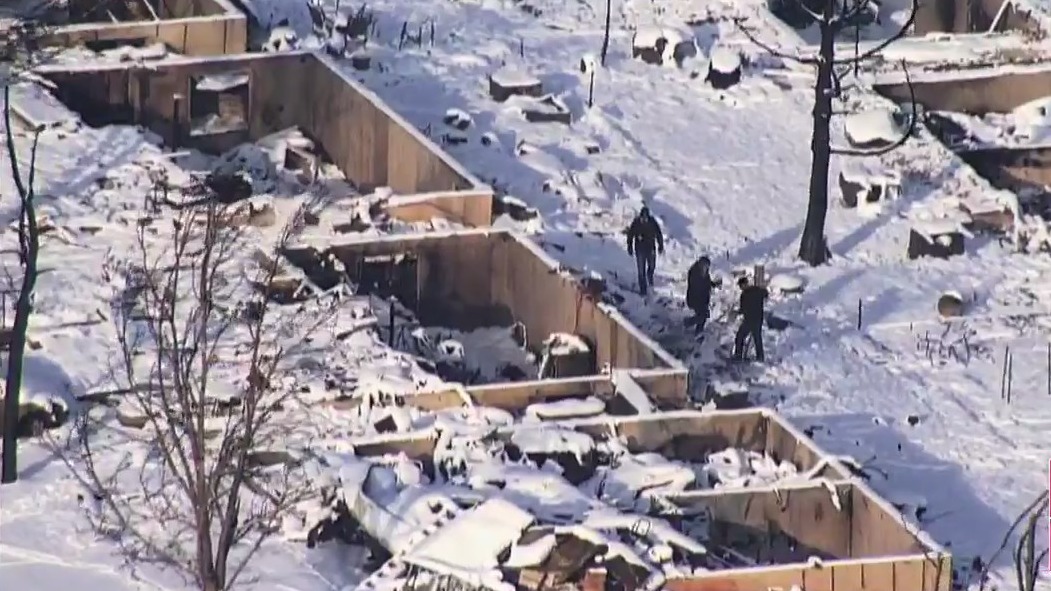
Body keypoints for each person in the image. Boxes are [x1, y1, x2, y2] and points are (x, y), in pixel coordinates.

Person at [626, 206, 664, 296]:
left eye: (646, 218)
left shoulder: (652, 222)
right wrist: (630, 246)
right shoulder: (636, 223)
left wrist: (660, 245)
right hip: (640, 249)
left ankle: (650, 276)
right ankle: (643, 290)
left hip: (651, 248)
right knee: (641, 271)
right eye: (643, 218)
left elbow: (659, 234)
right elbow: (630, 234)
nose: (644, 220)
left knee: (652, 266)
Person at [732, 275, 768, 362]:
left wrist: (736, 312)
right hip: (758, 319)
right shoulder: (757, 290)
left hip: (749, 320)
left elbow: (743, 309)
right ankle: (760, 357)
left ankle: (738, 356)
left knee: (740, 337)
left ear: (744, 284)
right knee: (757, 338)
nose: (740, 288)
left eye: (741, 286)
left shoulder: (744, 295)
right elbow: (765, 294)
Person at [685, 255, 720, 335]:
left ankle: (698, 333)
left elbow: (707, 282)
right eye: (705, 265)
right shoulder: (694, 272)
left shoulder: (704, 273)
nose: (706, 268)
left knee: (703, 316)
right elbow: (697, 286)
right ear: (701, 264)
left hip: (703, 300)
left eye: (707, 266)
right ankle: (687, 323)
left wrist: (714, 284)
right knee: (703, 315)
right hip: (695, 299)